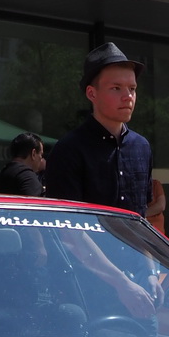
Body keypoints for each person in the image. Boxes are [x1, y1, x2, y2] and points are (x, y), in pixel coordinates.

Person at [45, 43, 152, 216]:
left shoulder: (141, 146)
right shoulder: (69, 150)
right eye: (116, 88)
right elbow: (65, 221)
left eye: (132, 89)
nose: (128, 97)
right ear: (92, 94)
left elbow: (143, 209)